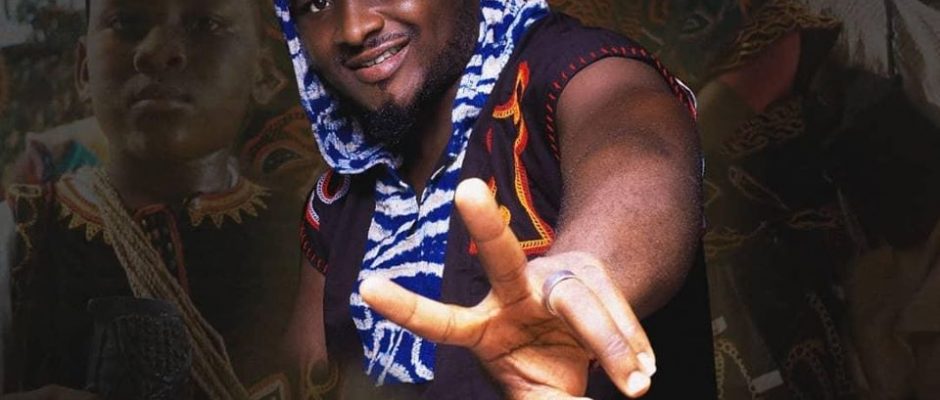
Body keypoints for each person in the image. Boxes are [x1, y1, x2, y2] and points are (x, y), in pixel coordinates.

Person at [277, 0, 715, 398]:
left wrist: (573, 281)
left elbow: (641, 151)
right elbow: (311, 379)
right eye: (315, 3)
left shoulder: (574, 71)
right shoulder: (336, 204)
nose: (354, 28)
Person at [1, 0, 302, 397]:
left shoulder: (325, 245)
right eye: (126, 23)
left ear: (263, 72)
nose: (158, 52)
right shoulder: (16, 237)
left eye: (205, 24)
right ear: (85, 69)